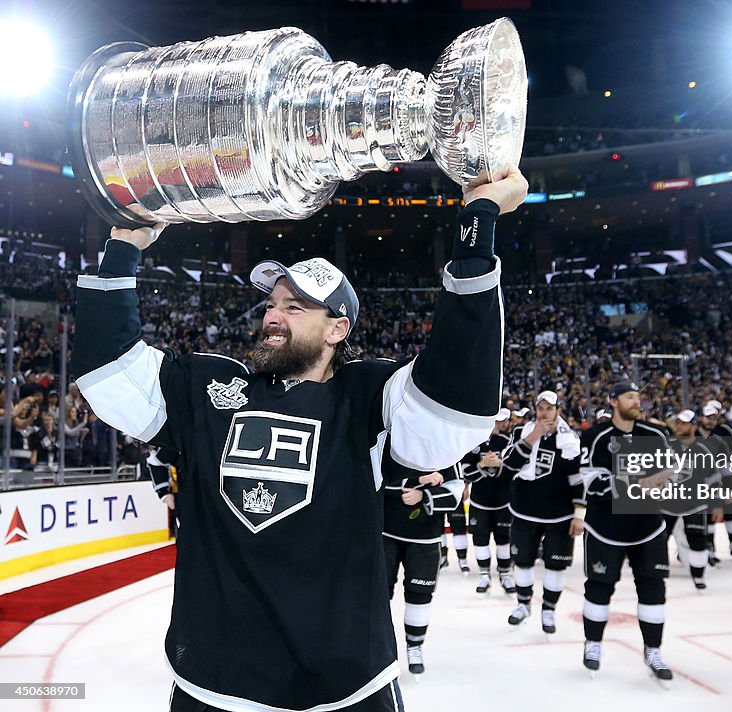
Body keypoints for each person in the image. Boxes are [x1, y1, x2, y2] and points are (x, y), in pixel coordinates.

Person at [70, 167, 528, 712]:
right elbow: (108, 372)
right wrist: (124, 244)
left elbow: (457, 405)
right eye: (271, 303)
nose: (273, 316)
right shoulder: (209, 387)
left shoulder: (368, 397)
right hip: (214, 685)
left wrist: (477, 229)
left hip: (345, 688)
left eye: (295, 307)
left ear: (338, 329)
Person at [575, 381, 674, 686]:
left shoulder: (656, 435)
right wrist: (640, 483)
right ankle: (593, 643)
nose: (636, 401)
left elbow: (671, 474)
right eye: (629, 396)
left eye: (638, 396)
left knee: (653, 589)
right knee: (599, 587)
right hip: (605, 528)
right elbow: (593, 483)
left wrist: (661, 481)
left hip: (648, 526)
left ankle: (653, 651)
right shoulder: (595, 436)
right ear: (613, 401)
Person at [501, 390, 582, 634]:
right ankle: (523, 605)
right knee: (523, 562)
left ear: (558, 410)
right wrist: (533, 436)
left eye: (549, 408)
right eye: (541, 408)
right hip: (525, 510)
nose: (544, 412)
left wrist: (580, 513)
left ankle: (549, 609)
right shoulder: (522, 432)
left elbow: (578, 479)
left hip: (560, 514)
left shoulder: (570, 439)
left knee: (555, 565)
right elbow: (509, 466)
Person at [382, 465, 464, 677]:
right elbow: (375, 480)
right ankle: (380, 648)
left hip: (426, 537)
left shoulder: (446, 450)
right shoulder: (396, 444)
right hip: (385, 532)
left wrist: (424, 495)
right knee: (377, 593)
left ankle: (415, 646)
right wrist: (418, 479)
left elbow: (456, 494)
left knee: (419, 595)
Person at [663, 409, 723, 590]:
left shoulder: (704, 449)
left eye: (684, 423)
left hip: (695, 503)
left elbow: (713, 478)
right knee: (658, 538)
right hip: (667, 502)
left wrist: (718, 504)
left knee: (697, 539)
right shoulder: (667, 445)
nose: (679, 426)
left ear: (694, 426)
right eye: (678, 422)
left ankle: (698, 576)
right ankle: (656, 569)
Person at [461, 412, 516, 595]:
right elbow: (465, 472)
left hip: (503, 502)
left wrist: (499, 463)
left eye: (500, 421)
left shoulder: (508, 442)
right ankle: (484, 575)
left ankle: (505, 575)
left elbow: (516, 470)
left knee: (504, 540)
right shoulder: (473, 443)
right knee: (480, 540)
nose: (497, 424)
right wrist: (482, 465)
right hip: (480, 502)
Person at [698, 399, 732, 562]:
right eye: (708, 417)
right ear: (702, 417)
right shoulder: (695, 433)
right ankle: (708, 549)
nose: (711, 421)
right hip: (703, 482)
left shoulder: (725, 432)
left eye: (714, 417)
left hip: (724, 477)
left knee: (730, 509)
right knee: (706, 515)